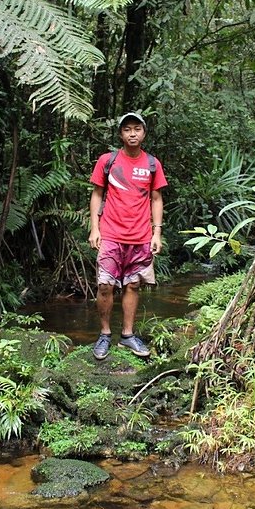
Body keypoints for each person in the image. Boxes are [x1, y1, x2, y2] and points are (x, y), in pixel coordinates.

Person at [88, 112, 168, 360]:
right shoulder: (107, 160)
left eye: (137, 129)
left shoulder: (152, 164)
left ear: (144, 133)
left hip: (140, 235)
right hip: (111, 233)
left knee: (133, 285)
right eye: (127, 129)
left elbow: (156, 198)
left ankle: (127, 335)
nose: (132, 134)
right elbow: (97, 194)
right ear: (121, 134)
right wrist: (94, 228)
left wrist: (157, 233)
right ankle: (104, 334)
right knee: (105, 284)